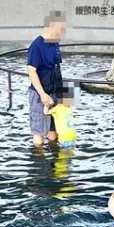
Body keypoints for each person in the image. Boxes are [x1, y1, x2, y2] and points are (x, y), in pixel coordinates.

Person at [27, 10, 67, 147]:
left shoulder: (55, 44)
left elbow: (57, 70)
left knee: (54, 133)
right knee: (39, 134)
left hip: (55, 92)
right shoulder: (37, 46)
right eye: (60, 29)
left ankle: (53, 157)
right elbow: (31, 71)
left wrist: (64, 96)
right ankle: (39, 158)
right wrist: (42, 94)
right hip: (40, 94)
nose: (62, 32)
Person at [43, 84, 76, 149]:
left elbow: (46, 112)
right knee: (68, 152)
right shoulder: (66, 108)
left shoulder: (60, 108)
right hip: (70, 136)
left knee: (65, 153)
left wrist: (46, 104)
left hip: (66, 137)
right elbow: (46, 113)